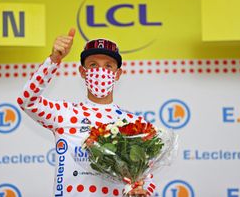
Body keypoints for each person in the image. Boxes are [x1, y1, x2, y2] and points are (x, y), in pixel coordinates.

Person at [17, 28, 157, 196]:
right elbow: (27, 101)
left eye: (108, 66)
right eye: (93, 65)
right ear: (83, 72)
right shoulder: (65, 114)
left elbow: (147, 178)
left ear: (117, 74)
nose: (101, 71)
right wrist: (55, 59)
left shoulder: (133, 125)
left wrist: (141, 190)